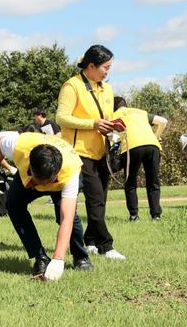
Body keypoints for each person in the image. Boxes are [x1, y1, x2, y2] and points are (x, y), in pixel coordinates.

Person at [0, 132, 91, 280]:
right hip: (27, 177)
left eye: (47, 181)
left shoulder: (70, 171)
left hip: (61, 181)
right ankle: (41, 258)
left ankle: (80, 256)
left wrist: (58, 258)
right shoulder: (20, 146)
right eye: (39, 180)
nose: (43, 185)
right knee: (13, 205)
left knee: (65, 215)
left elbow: (67, 219)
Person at [56, 44, 125, 260]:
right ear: (91, 65)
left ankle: (90, 240)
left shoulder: (107, 88)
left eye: (109, 67)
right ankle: (106, 245)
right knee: (95, 199)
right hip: (78, 153)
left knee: (100, 199)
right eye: (105, 67)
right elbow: (61, 118)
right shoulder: (72, 86)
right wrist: (93, 124)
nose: (108, 71)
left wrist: (113, 126)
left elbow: (106, 116)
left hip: (101, 151)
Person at [113, 97, 168, 221]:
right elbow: (163, 121)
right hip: (152, 145)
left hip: (131, 147)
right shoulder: (141, 112)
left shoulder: (114, 115)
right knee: (153, 181)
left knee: (130, 182)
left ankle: (134, 215)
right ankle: (156, 215)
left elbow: (113, 136)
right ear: (126, 105)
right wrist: (156, 136)